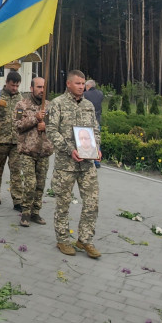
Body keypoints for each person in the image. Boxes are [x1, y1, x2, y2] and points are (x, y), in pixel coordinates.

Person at [46, 70, 102, 258]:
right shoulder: (58, 104)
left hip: (87, 164)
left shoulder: (88, 105)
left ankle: (85, 240)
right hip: (66, 164)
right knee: (63, 203)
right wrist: (69, 149)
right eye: (77, 83)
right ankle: (62, 239)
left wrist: (96, 148)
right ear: (68, 84)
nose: (81, 86)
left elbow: (95, 129)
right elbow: (51, 131)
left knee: (92, 202)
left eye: (83, 83)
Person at [14, 77, 54, 227]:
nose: (42, 90)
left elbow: (55, 126)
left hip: (44, 150)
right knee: (30, 183)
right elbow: (17, 125)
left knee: (40, 184)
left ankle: (35, 212)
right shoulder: (22, 105)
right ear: (31, 88)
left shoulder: (49, 106)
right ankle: (25, 213)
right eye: (39, 87)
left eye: (43, 87)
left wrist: (46, 126)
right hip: (28, 151)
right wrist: (35, 118)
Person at [0, 71, 23, 208]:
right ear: (7, 82)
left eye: (17, 86)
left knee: (16, 171)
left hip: (16, 141)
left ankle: (18, 200)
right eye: (13, 85)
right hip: (0, 139)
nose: (15, 88)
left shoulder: (20, 98)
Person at [83, 79, 104, 167]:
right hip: (97, 119)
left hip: (87, 120)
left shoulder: (85, 95)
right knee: (96, 139)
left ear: (88, 86)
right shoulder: (100, 94)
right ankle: (97, 161)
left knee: (85, 140)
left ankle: (86, 158)